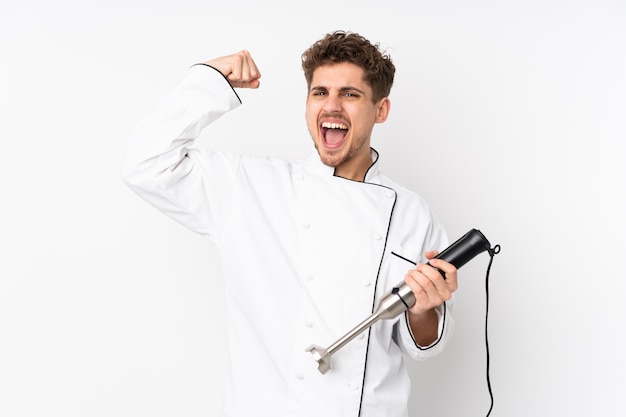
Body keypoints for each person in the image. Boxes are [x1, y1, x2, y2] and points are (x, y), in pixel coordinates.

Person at [122, 30, 458, 417]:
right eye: (320, 93)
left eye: (349, 94)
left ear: (380, 110)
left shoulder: (413, 214)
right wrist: (208, 82)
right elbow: (143, 165)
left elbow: (421, 342)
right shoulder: (250, 188)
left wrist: (423, 309)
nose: (331, 106)